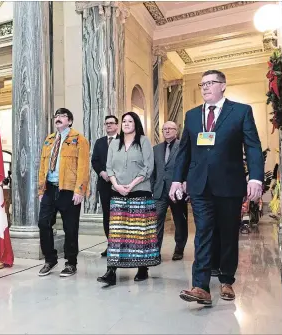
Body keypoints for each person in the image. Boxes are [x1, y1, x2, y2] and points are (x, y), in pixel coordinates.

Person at [170, 69, 264, 305]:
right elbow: (184, 151)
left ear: (223, 86)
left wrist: (255, 178)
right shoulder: (192, 116)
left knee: (228, 233)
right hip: (200, 185)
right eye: (202, 84)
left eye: (210, 83)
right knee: (202, 232)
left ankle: (226, 279)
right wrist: (176, 180)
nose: (205, 87)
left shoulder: (241, 111)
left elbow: (252, 146)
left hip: (230, 184)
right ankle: (200, 286)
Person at [97, 112, 160, 286]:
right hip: (117, 192)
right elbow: (109, 167)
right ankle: (111, 271)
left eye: (129, 121)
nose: (126, 123)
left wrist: (131, 185)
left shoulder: (144, 142)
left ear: (136, 124)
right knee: (116, 233)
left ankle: (142, 268)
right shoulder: (114, 143)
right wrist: (116, 185)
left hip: (139, 191)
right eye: (124, 121)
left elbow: (148, 167)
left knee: (138, 233)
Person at [37, 108, 90, 277]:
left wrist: (80, 190)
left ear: (70, 121)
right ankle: (50, 259)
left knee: (70, 227)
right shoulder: (49, 140)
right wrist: (41, 189)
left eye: (62, 116)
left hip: (69, 189)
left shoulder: (79, 139)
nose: (58, 118)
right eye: (56, 116)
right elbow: (42, 166)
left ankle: (71, 263)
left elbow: (83, 167)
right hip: (50, 188)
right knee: (43, 223)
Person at [151, 121, 188, 260]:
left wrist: (185, 183)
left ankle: (179, 248)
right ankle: (155, 252)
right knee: (157, 220)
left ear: (176, 131)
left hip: (177, 191)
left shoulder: (183, 146)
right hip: (159, 191)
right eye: (164, 129)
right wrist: (152, 188)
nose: (166, 131)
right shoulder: (156, 149)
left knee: (179, 221)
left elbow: (187, 166)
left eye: (170, 128)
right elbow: (153, 171)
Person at [91, 115, 119, 257]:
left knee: (119, 215)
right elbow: (94, 160)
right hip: (104, 184)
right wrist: (102, 172)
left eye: (111, 123)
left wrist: (114, 175)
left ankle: (120, 246)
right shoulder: (99, 142)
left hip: (120, 185)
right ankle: (110, 245)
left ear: (117, 125)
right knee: (107, 215)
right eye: (106, 123)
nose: (108, 125)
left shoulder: (123, 141)